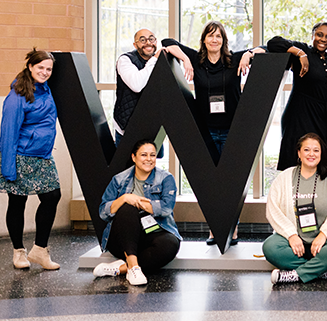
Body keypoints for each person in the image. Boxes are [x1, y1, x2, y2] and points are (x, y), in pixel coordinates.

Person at [163, 21, 265, 245]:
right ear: (204, 40)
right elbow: (167, 43)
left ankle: (232, 228)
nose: (214, 40)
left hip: (232, 131)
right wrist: (186, 59)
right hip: (206, 131)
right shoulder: (197, 61)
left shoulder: (235, 59)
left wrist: (249, 53)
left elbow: (266, 49)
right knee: (210, 183)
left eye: (218, 36)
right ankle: (214, 228)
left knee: (231, 182)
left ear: (223, 40)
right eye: (210, 36)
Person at [0, 49, 62, 270]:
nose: (45, 72)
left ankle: (40, 251)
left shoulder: (45, 89)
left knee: (52, 196)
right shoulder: (17, 96)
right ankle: (18, 252)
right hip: (19, 156)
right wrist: (8, 168)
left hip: (41, 156)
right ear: (30, 67)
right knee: (17, 202)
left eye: (48, 69)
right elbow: (8, 133)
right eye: (40, 67)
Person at [262, 133, 327, 284]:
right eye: (307, 150)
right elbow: (272, 210)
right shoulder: (284, 178)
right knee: (270, 247)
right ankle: (323, 270)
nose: (311, 154)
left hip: (325, 242)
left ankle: (294, 275)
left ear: (321, 153)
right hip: (294, 244)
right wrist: (291, 235)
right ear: (299, 153)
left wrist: (324, 234)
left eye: (316, 150)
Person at [94, 139, 181, 286]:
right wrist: (125, 198)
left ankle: (121, 268)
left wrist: (138, 202)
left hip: (153, 232)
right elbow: (103, 212)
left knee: (171, 245)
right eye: (144, 155)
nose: (148, 159)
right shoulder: (119, 179)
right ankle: (134, 268)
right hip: (123, 237)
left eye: (152, 155)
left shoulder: (166, 179)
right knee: (128, 208)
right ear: (134, 157)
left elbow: (166, 208)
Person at [267, 22, 327, 170]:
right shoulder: (303, 50)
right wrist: (300, 54)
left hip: (324, 118)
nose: (323, 39)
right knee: (297, 162)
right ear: (313, 36)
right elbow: (274, 43)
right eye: (319, 35)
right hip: (301, 114)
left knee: (320, 163)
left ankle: (317, 194)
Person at [114, 29, 164, 155]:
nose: (148, 43)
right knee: (124, 170)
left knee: (149, 167)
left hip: (151, 128)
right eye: (142, 40)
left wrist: (184, 59)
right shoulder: (125, 60)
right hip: (127, 127)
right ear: (135, 45)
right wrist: (154, 60)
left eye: (151, 38)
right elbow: (137, 85)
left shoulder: (160, 61)